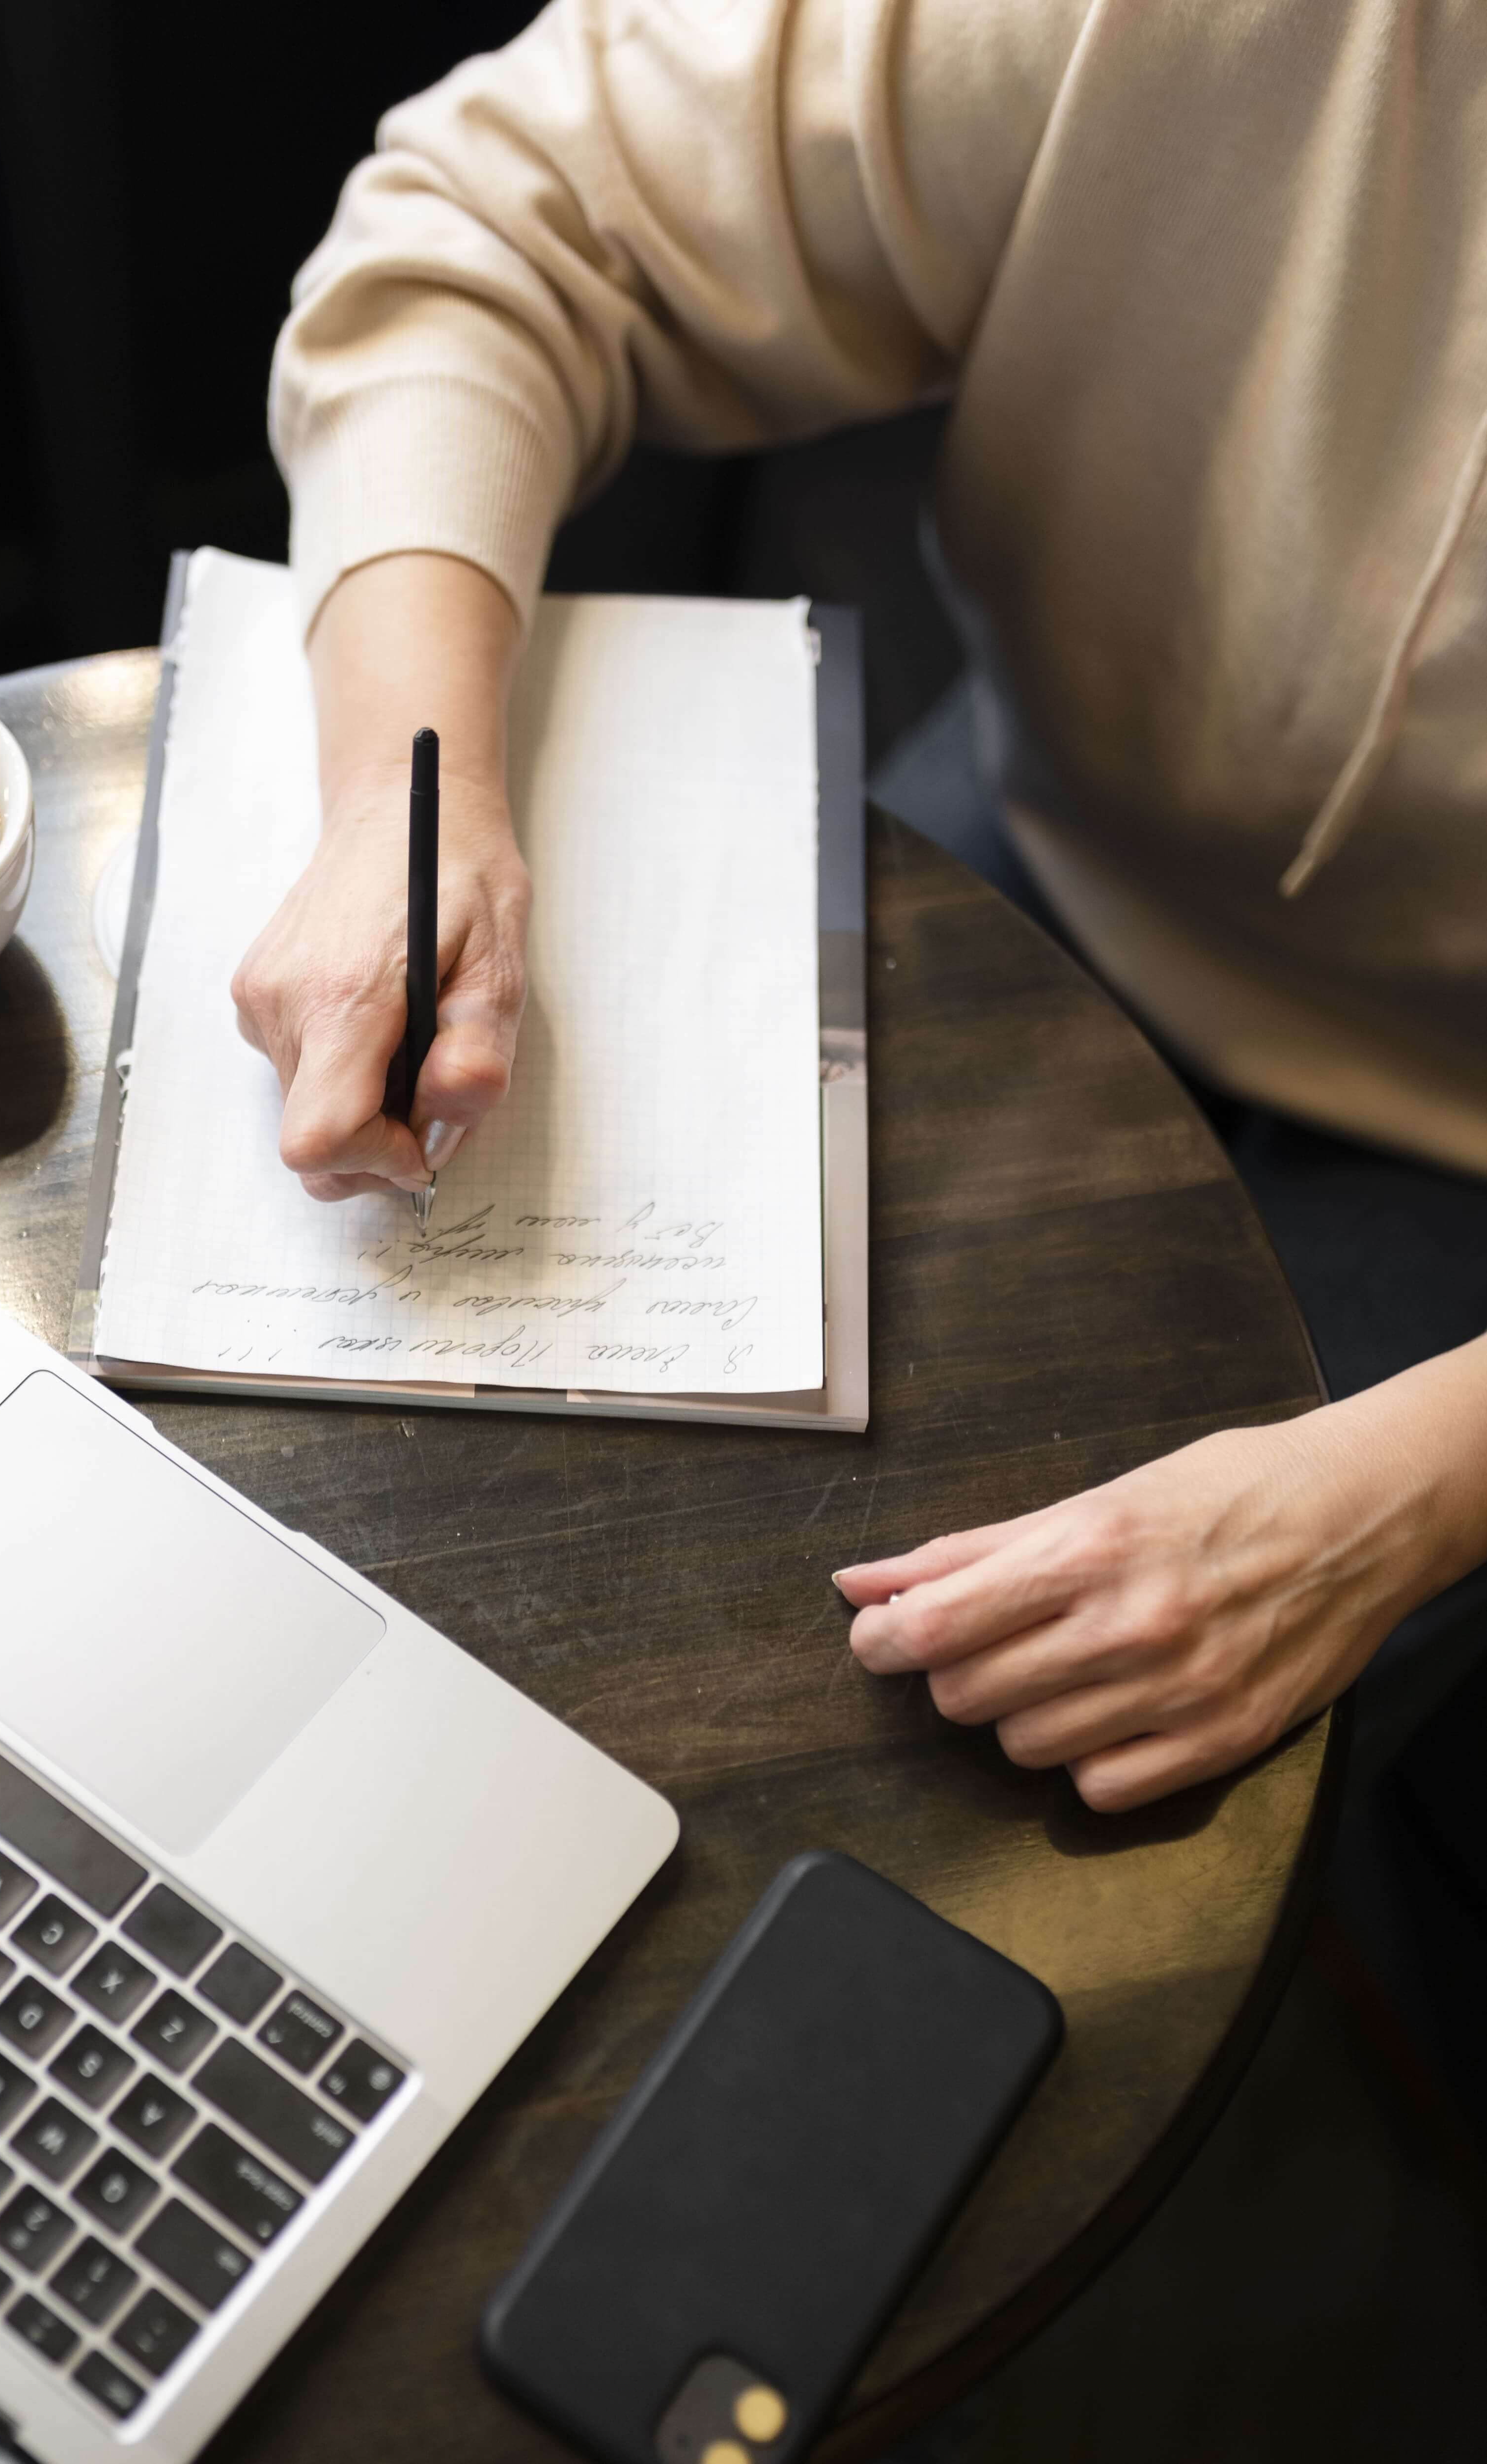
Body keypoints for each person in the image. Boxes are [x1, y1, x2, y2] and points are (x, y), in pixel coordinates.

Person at [232, 0, 1487, 1815]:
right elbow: (504, 211)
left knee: (1030, 1788)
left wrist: (1413, 1490)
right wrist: (401, 795)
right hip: (1063, 821)